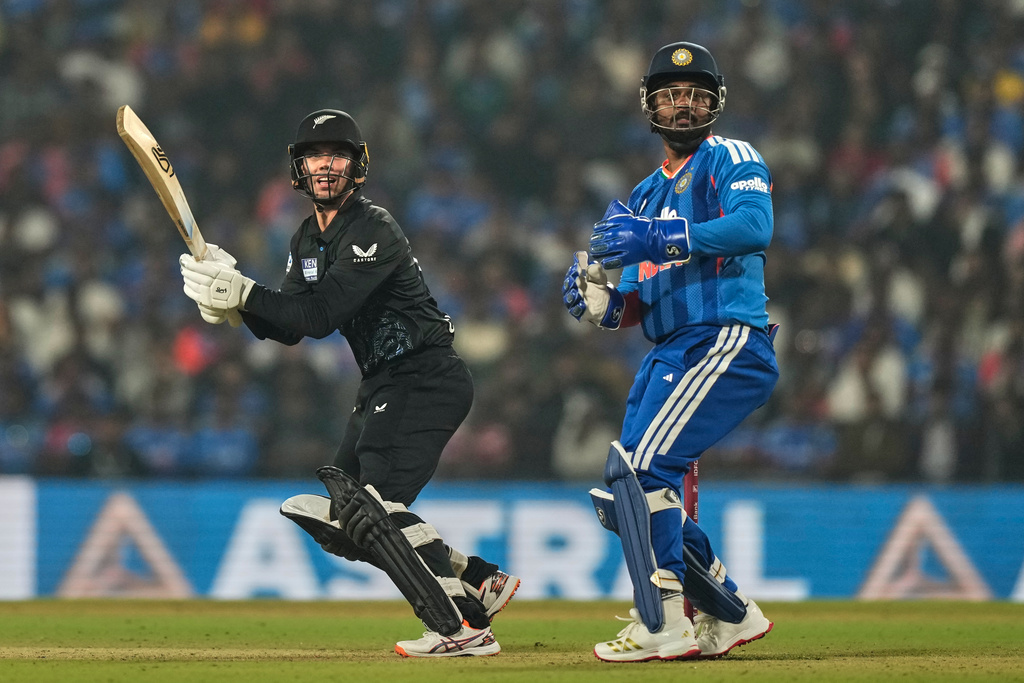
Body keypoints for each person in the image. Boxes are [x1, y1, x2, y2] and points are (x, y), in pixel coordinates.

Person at [178, 109, 518, 657]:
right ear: (299, 167)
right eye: (315, 155)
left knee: (375, 510)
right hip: (384, 384)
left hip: (425, 375)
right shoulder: (306, 239)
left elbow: (320, 315)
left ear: (358, 166)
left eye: (337, 155)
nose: (326, 165)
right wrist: (234, 308)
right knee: (348, 522)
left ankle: (460, 628)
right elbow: (290, 327)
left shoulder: (373, 228)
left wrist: (242, 292)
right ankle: (478, 580)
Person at [562, 42, 777, 662]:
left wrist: (662, 234)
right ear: (650, 105)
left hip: (725, 336)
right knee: (620, 489)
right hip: (669, 352)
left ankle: (662, 624)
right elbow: (635, 302)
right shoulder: (637, 196)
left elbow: (754, 226)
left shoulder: (730, 157)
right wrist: (599, 304)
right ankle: (730, 612)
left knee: (642, 473)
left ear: (714, 103)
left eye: (695, 95)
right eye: (671, 95)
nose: (683, 105)